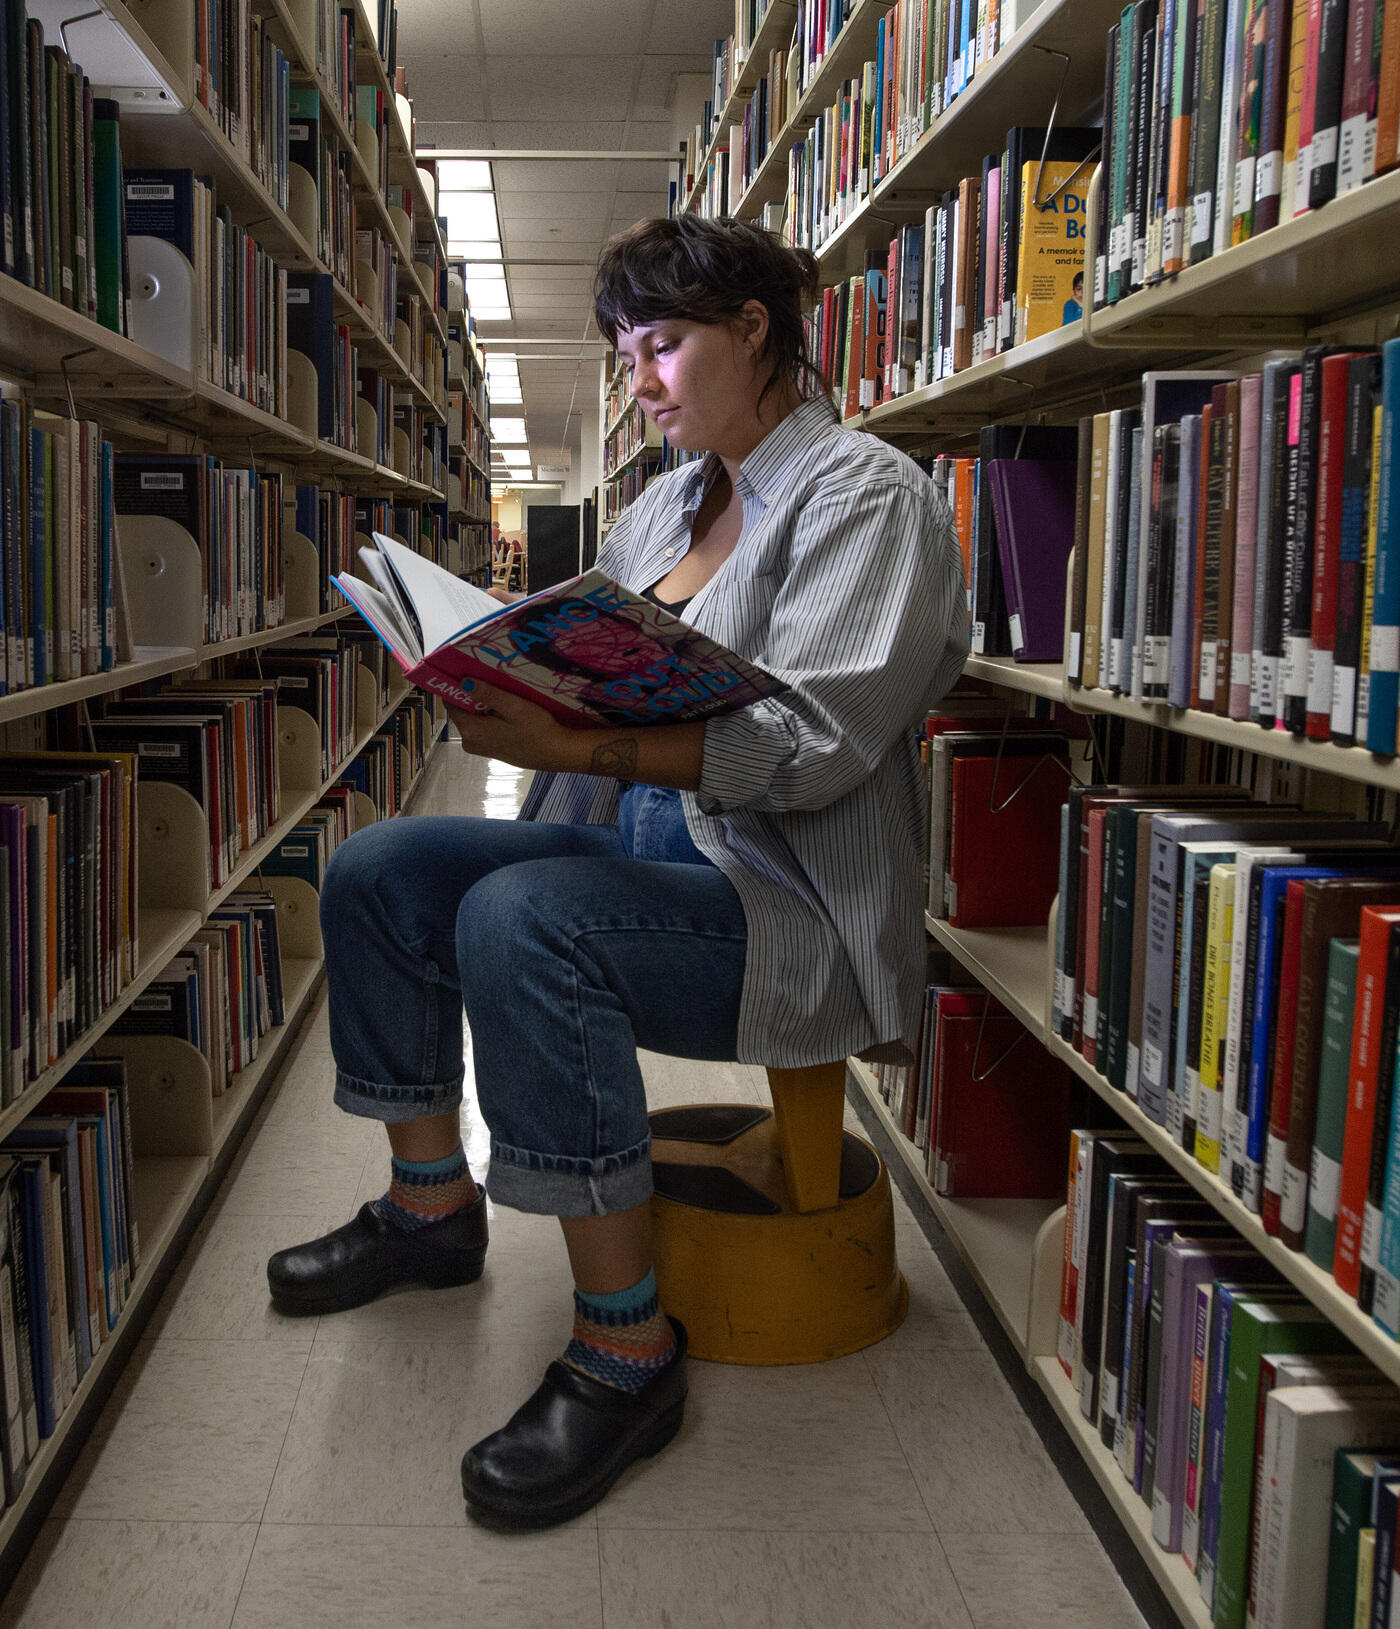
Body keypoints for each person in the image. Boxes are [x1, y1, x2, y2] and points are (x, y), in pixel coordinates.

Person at [264, 214, 970, 1530]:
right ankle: (430, 1205)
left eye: (663, 345)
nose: (641, 379)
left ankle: (625, 1349)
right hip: (640, 846)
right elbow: (587, 653)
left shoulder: (867, 497)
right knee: (380, 867)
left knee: (528, 917)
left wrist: (589, 734)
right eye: (626, 352)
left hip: (779, 905)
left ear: (754, 331)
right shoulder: (666, 501)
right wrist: (493, 668)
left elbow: (809, 746)